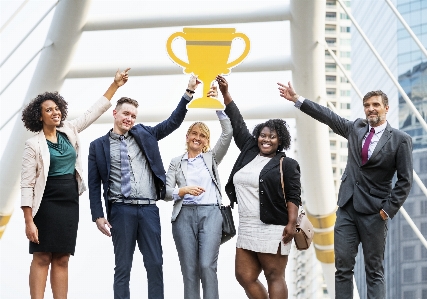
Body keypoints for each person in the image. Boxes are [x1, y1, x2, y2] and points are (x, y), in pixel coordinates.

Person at [278, 82, 413, 299]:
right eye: (367, 105)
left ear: (386, 108)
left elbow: (405, 181)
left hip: (375, 213)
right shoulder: (356, 129)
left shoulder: (400, 140)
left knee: (374, 270)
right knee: (342, 267)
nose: (371, 109)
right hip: (347, 209)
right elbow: (328, 116)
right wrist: (297, 99)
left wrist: (387, 211)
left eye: (376, 104)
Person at [20, 68, 129, 299]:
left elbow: (93, 112)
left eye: (57, 108)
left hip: (68, 201)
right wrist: (29, 221)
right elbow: (27, 185)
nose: (55, 112)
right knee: (42, 256)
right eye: (48, 110)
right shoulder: (33, 145)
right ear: (40, 117)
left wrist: (115, 85)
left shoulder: (69, 130)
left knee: (62, 256)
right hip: (45, 202)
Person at [88, 75, 199, 299]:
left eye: (133, 116)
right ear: (115, 113)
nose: (129, 118)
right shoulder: (98, 146)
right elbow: (93, 184)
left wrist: (188, 92)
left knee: (155, 264)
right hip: (121, 210)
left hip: (148, 209)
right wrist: (97, 215)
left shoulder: (145, 134)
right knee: (122, 267)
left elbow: (172, 123)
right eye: (126, 113)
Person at [216, 75, 301, 299]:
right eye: (263, 135)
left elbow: (294, 195)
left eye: (272, 137)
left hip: (274, 226)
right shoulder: (249, 150)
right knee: (244, 275)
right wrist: (226, 94)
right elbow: (237, 122)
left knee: (274, 276)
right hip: (247, 226)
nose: (266, 140)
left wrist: (292, 222)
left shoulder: (287, 164)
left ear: (280, 141)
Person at [164, 85, 232, 299]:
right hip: (183, 216)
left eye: (202, 135)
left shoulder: (211, 159)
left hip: (211, 214)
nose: (198, 137)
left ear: (206, 141)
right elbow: (165, 192)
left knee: (206, 265)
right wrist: (181, 191)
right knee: (190, 270)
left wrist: (217, 105)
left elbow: (228, 132)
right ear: (187, 136)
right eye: (194, 133)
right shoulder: (176, 162)